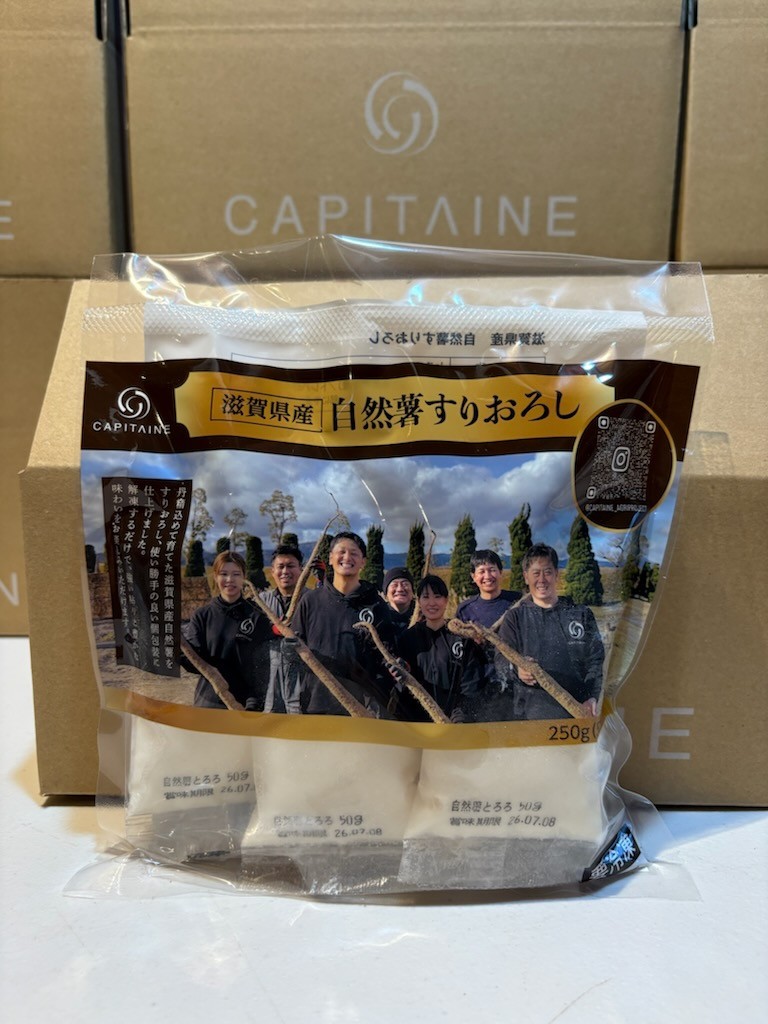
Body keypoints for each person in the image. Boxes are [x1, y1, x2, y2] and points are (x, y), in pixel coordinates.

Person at [291, 531, 396, 717]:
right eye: (341, 552)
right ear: (330, 558)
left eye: (354, 553)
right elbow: (297, 649)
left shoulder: (376, 605)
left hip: (360, 710)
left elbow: (385, 656)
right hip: (315, 704)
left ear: (363, 562)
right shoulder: (310, 601)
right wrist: (289, 649)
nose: (347, 557)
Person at [495, 543, 604, 720]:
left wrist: (592, 696)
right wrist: (517, 669)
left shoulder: (581, 614)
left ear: (556, 575)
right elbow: (500, 659)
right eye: (536, 573)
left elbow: (596, 659)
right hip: (528, 715)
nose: (542, 579)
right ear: (526, 577)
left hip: (577, 713)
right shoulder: (515, 618)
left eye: (547, 572)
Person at [183, 550, 272, 710]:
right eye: (224, 574)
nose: (230, 579)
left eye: (236, 574)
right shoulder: (202, 616)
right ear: (216, 577)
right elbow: (193, 662)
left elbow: (263, 668)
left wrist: (253, 703)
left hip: (245, 705)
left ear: (244, 577)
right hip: (208, 702)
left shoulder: (257, 616)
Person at [396, 575, 484, 722]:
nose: (432, 603)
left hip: (456, 724)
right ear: (419, 601)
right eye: (426, 597)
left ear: (446, 600)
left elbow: (472, 684)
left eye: (437, 596)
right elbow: (402, 687)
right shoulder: (407, 639)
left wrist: (460, 716)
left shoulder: (461, 639)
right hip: (416, 724)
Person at [260, 544, 304, 714]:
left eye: (291, 566)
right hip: (271, 676)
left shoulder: (312, 600)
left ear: (301, 569)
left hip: (303, 677)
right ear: (272, 571)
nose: (285, 571)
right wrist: (269, 630)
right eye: (280, 567)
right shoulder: (261, 601)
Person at [456, 549, 522, 628]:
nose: (487, 576)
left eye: (492, 570)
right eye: (482, 571)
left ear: (500, 572)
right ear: (473, 576)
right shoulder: (465, 609)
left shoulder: (519, 601)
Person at [382, 566, 416, 639]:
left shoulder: (423, 617)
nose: (400, 589)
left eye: (405, 584)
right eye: (395, 585)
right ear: (386, 594)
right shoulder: (379, 617)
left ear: (413, 592)